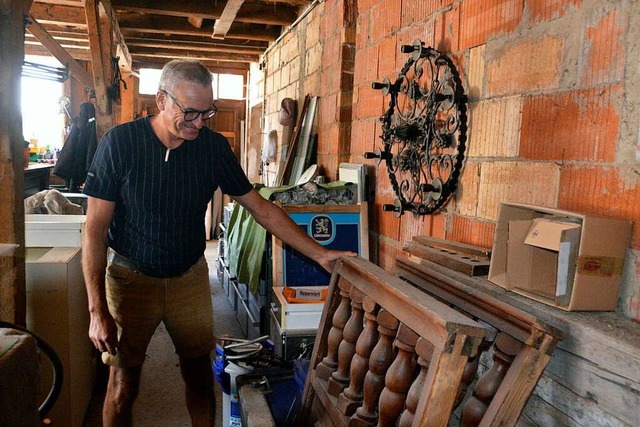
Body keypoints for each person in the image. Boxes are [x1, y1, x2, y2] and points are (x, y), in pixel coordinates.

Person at [82, 60, 355, 427]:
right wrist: (97, 310)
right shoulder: (121, 143)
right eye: (190, 112)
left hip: (189, 278)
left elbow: (261, 208)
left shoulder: (211, 148)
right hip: (131, 279)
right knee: (123, 385)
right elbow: (95, 229)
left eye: (207, 112)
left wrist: (320, 253)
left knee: (198, 376)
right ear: (162, 100)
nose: (199, 123)